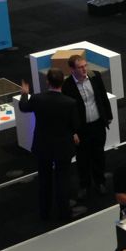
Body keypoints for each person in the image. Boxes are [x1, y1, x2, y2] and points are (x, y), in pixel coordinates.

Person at [18, 68, 79, 220]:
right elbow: (75, 125)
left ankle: (44, 212)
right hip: (63, 147)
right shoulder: (70, 102)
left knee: (44, 179)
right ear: (62, 82)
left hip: (43, 145)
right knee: (62, 180)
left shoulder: (37, 99)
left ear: (47, 82)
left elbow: (23, 107)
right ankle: (64, 212)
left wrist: (25, 93)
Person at [62, 54, 113, 200]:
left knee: (99, 154)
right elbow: (67, 112)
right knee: (82, 158)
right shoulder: (67, 85)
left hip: (98, 124)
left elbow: (102, 96)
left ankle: (100, 182)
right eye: (80, 67)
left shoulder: (95, 76)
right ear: (72, 69)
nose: (84, 69)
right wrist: (73, 132)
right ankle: (84, 185)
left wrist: (108, 116)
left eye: (85, 65)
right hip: (81, 129)